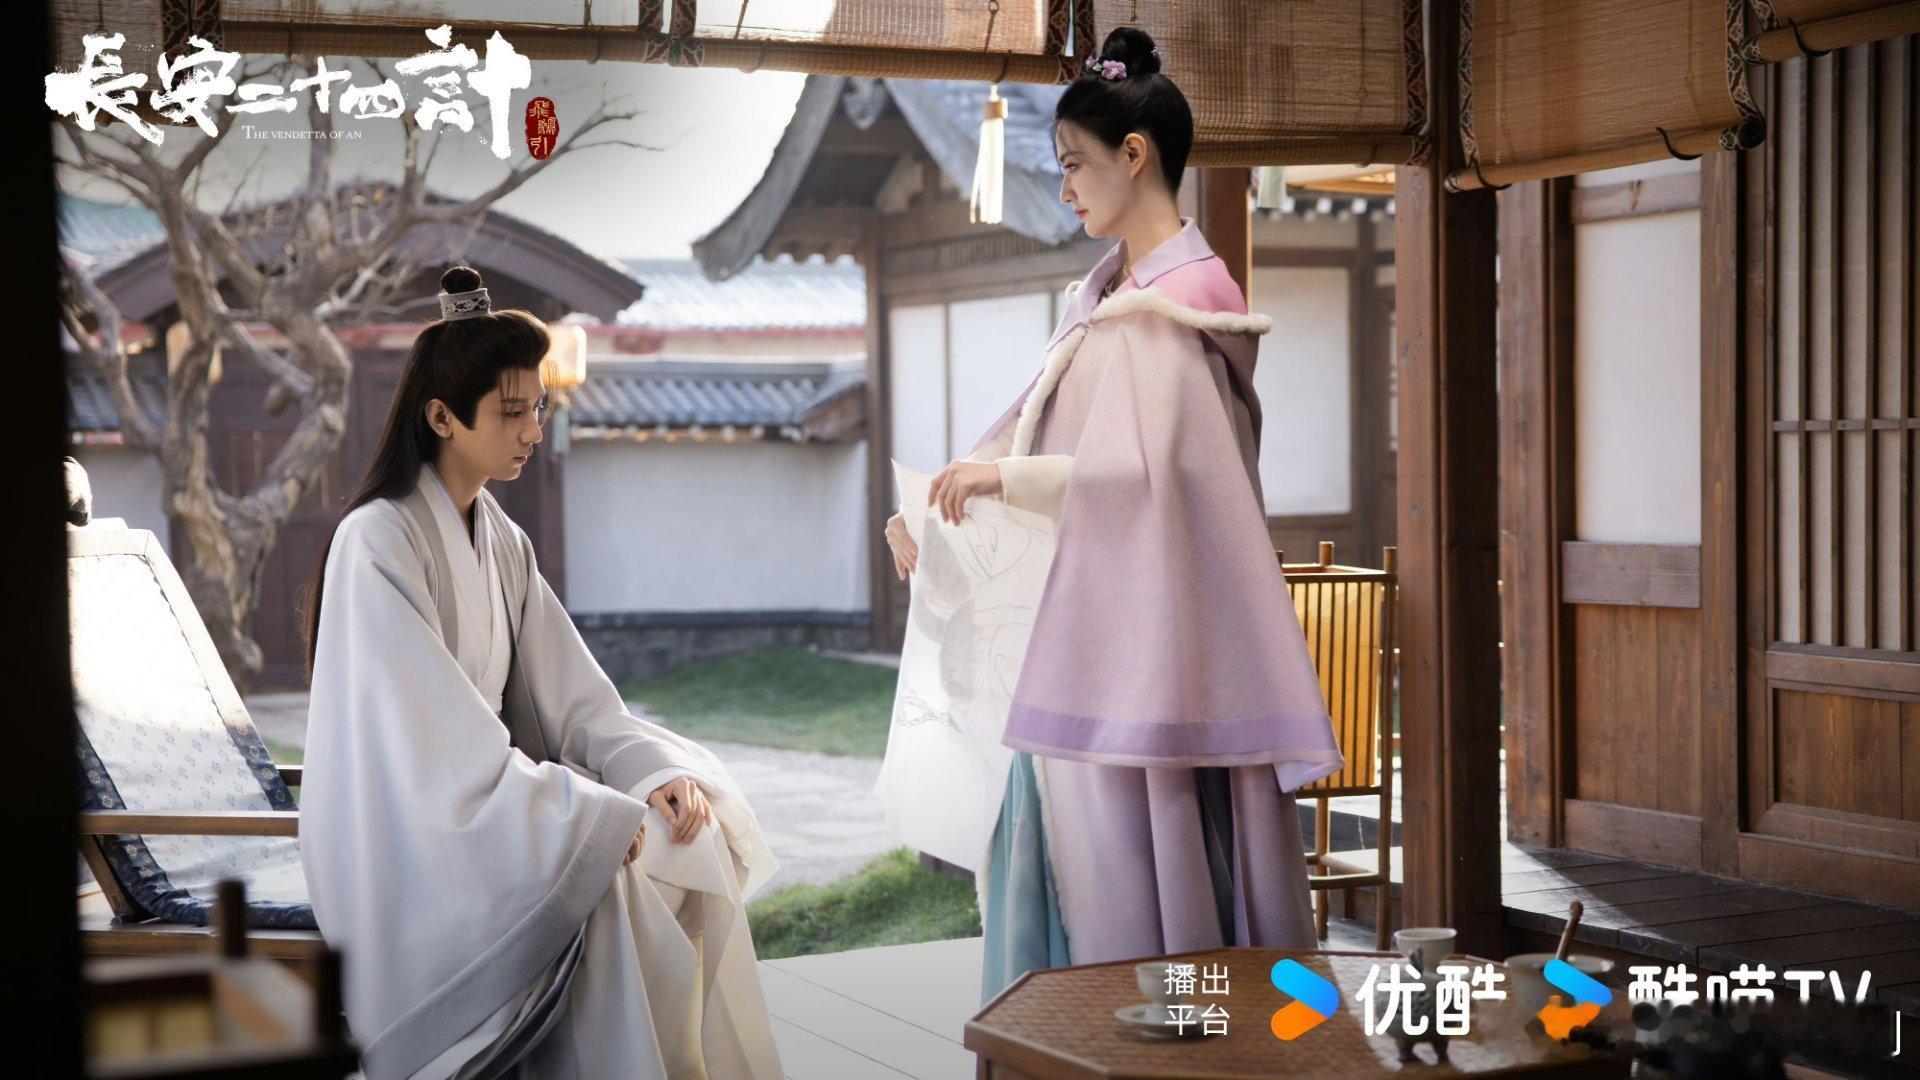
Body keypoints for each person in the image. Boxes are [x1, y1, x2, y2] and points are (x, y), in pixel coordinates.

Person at [883, 27, 1347, 1003]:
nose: (1064, 189)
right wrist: (933, 510)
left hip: (1138, 646)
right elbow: (1026, 435)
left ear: (1134, 155)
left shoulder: (1172, 312)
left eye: (1073, 164)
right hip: (1091, 632)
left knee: (1118, 893)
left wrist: (1001, 483)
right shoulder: (1110, 301)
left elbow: (1148, 481)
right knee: (1063, 866)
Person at [299, 266, 784, 1079]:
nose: (532, 429)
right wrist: (576, 815)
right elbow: (429, 747)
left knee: (691, 834)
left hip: (491, 804)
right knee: (604, 879)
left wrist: (644, 769)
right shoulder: (377, 540)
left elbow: (573, 692)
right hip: (407, 835)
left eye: (540, 407)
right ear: (442, 417)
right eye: (511, 411)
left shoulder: (501, 538)